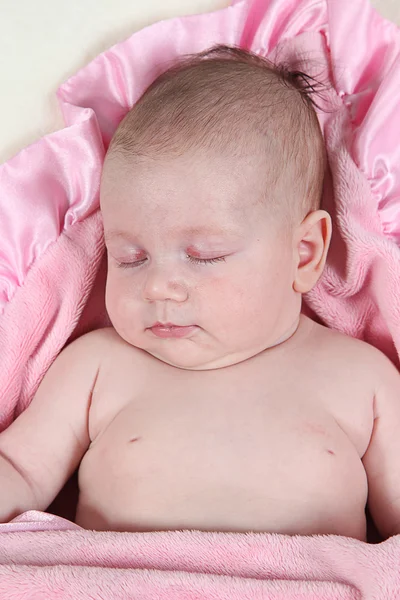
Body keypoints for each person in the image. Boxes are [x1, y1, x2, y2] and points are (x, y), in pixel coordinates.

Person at [1, 45, 400, 541]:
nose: (158, 286)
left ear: (303, 254)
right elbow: (16, 468)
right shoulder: (97, 367)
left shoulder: (361, 378)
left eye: (203, 255)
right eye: (130, 258)